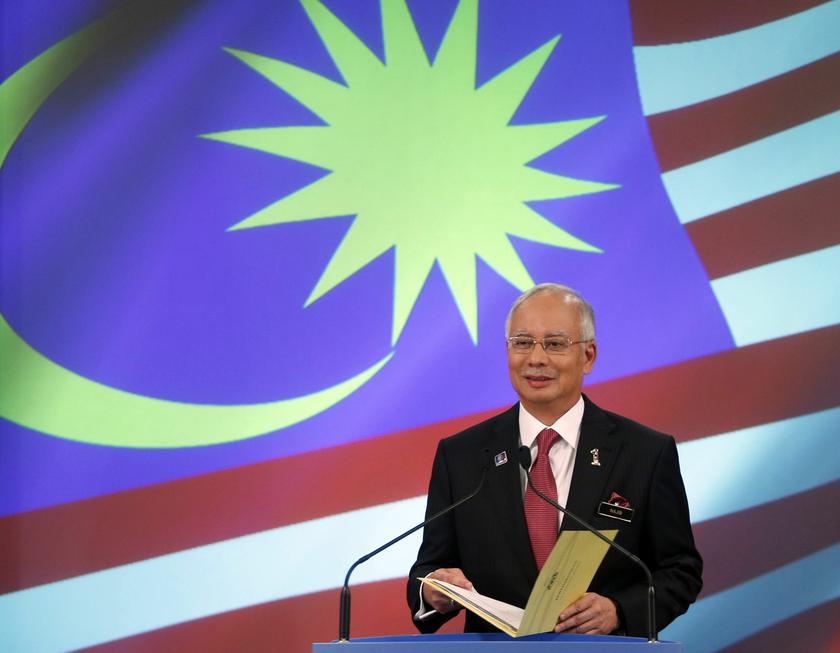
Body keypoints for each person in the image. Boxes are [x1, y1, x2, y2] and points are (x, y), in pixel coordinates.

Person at [407, 283, 702, 636]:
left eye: (555, 344)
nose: (536, 359)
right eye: (522, 342)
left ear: (588, 356)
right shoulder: (462, 456)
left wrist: (619, 610)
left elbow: (680, 571)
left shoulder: (644, 452)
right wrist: (433, 591)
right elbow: (429, 569)